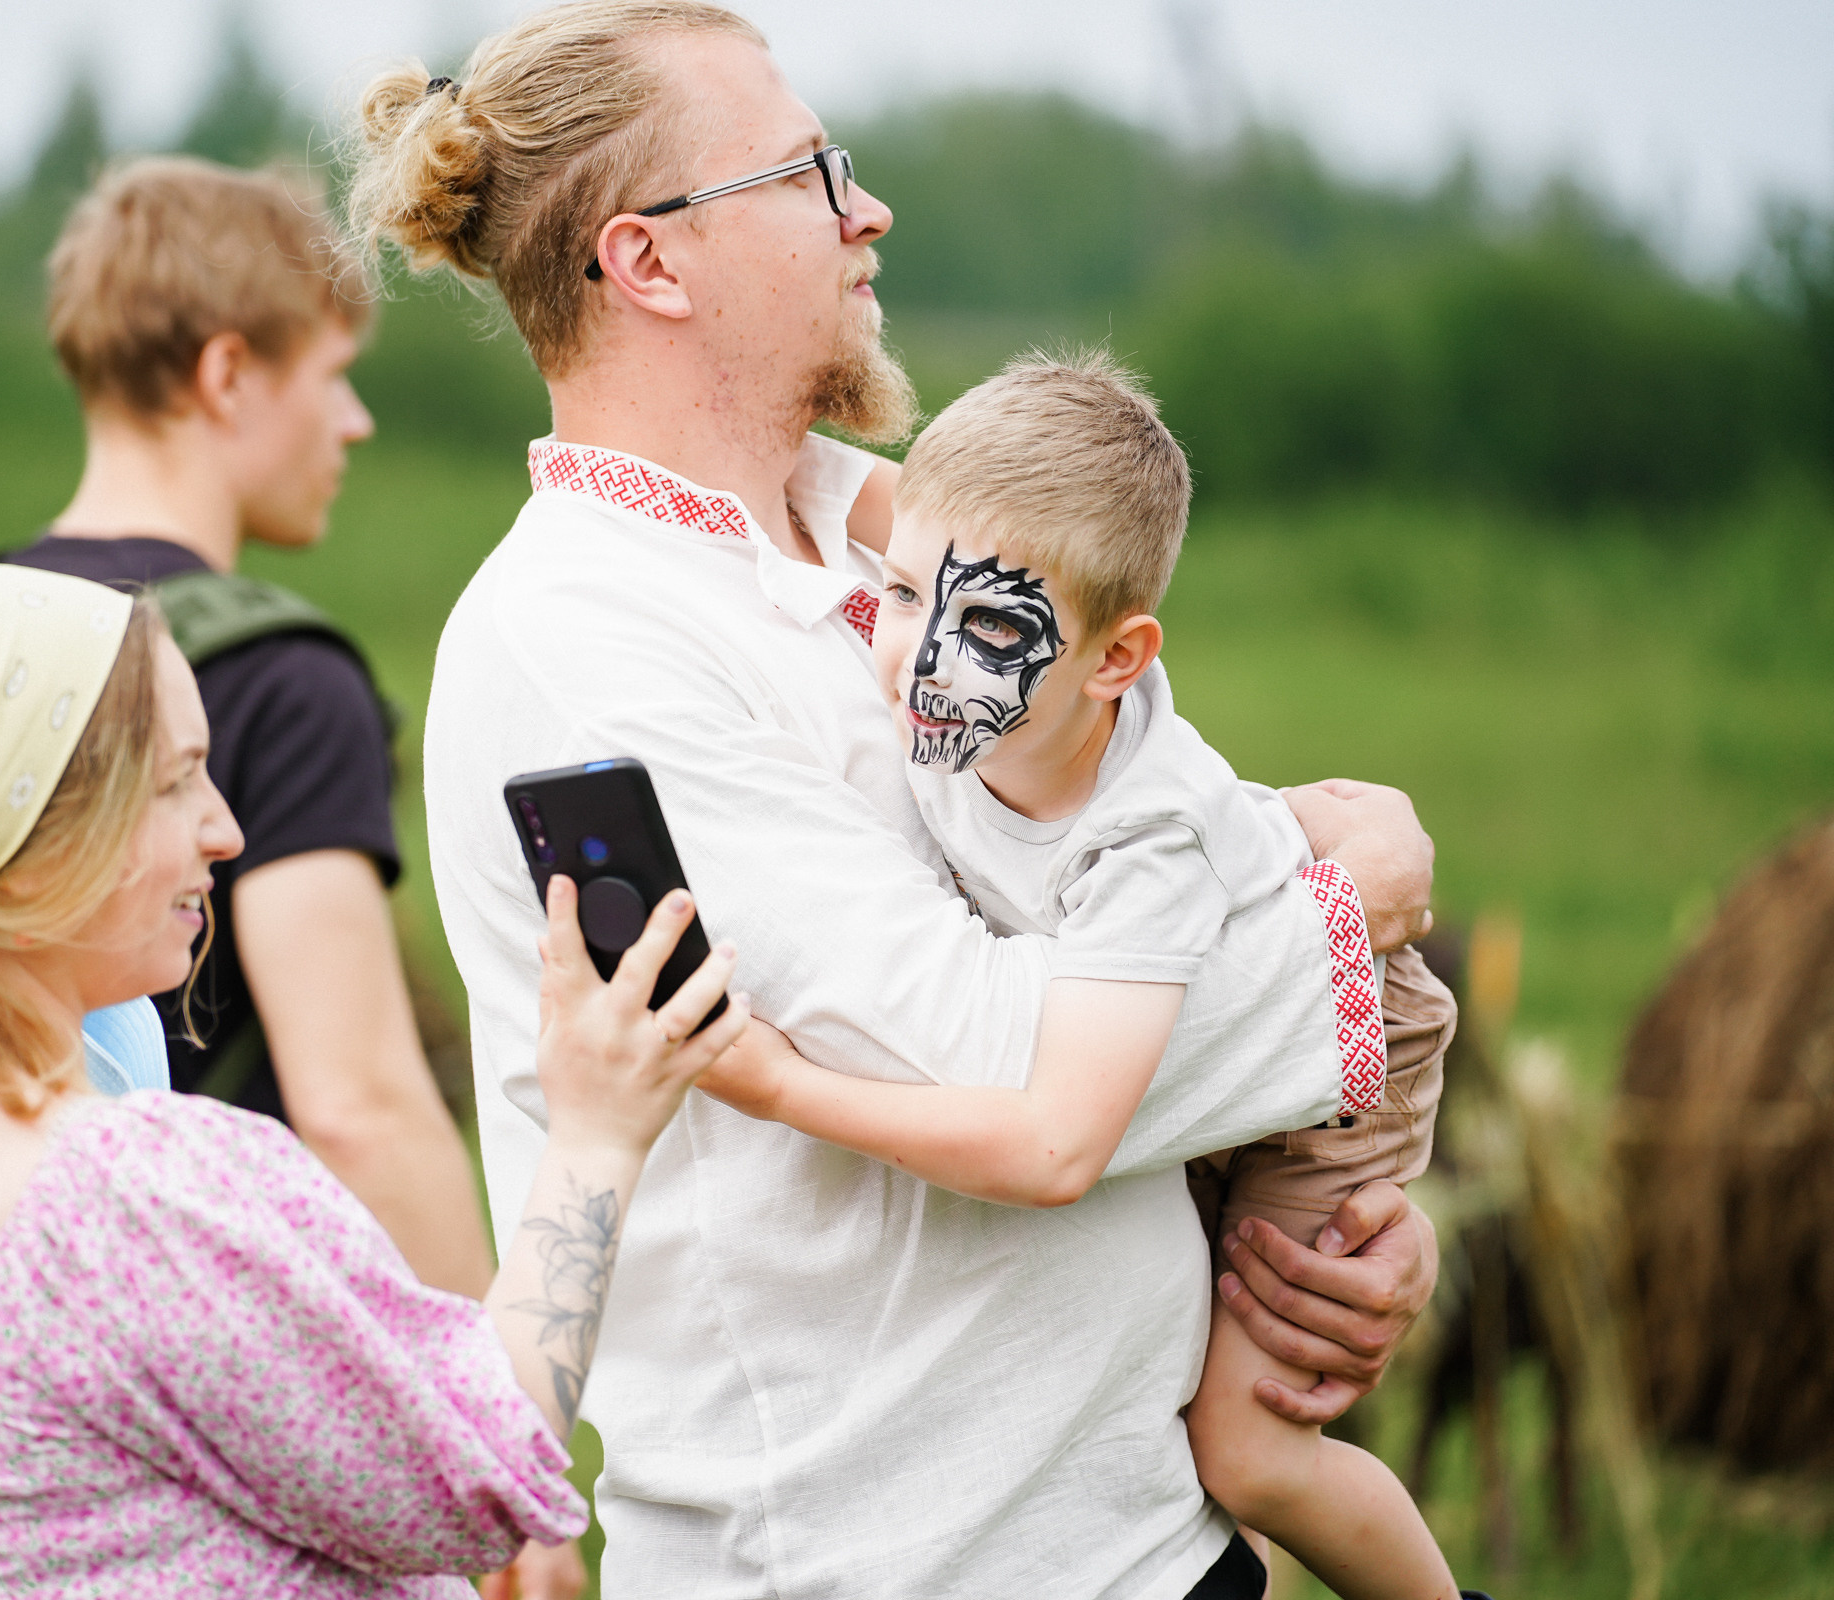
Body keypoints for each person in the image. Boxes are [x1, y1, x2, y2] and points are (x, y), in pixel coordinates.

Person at [348, 6, 1447, 1596]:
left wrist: (1320, 1203)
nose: (868, 211)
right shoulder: (577, 644)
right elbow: (997, 1059)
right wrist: (1350, 928)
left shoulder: (903, 534)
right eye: (807, 172)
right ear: (650, 263)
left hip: (1143, 1535)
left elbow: (1128, 881)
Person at [0, 564, 749, 1594]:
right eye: (177, 782)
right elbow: (482, 1471)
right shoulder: (132, 1204)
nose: (225, 829)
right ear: (31, 842)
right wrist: (595, 1138)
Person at [695, 353, 1463, 1600]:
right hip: (1153, 999)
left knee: (1248, 1446)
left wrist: (778, 1085)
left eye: (989, 629)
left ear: (1118, 659)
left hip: (1330, 1051)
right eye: (898, 596)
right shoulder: (971, 671)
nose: (919, 663)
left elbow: (1057, 1150)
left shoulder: (1142, 843)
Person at [2, 156, 496, 1304]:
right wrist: (493, 1419)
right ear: (228, 374)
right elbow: (357, 1102)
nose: (356, 421)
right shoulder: (283, 678)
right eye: (331, 377)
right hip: (193, 1318)